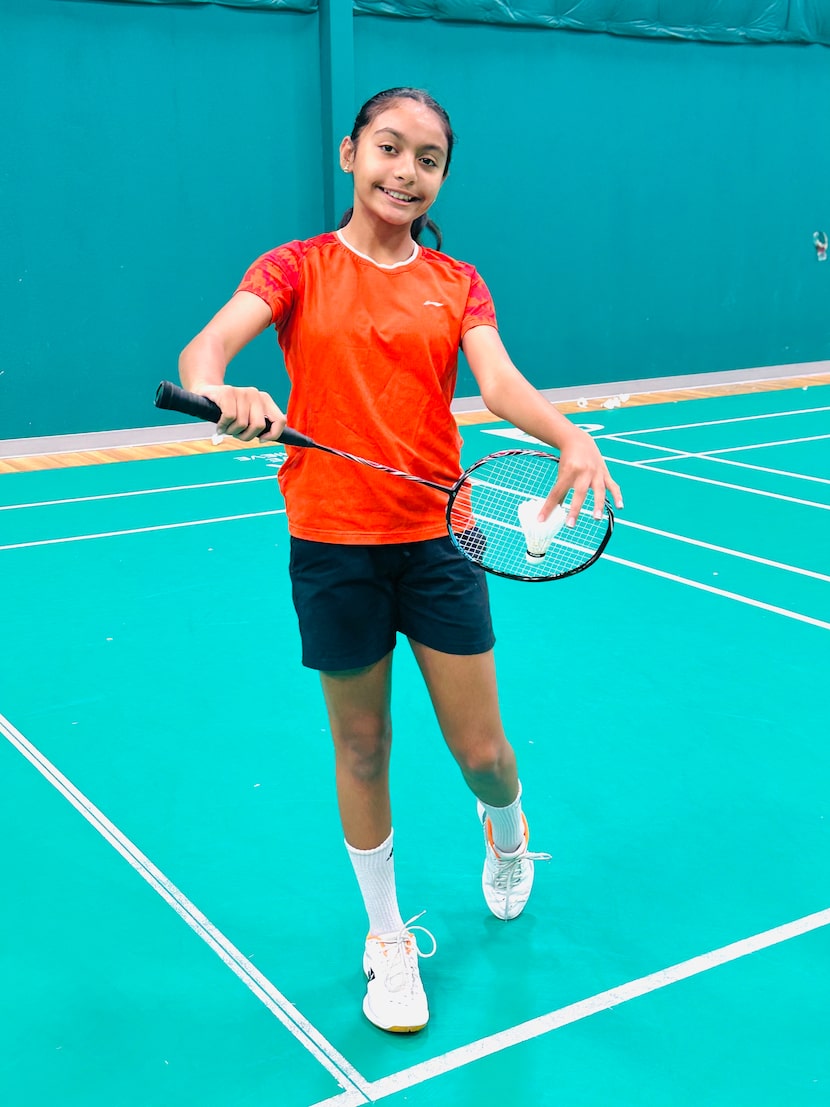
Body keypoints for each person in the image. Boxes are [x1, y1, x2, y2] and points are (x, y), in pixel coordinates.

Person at [179, 87, 623, 1034]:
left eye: (427, 159)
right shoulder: (295, 267)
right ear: (349, 153)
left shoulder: (458, 280)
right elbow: (206, 348)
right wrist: (223, 392)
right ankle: (386, 938)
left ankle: (506, 828)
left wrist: (571, 435)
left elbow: (495, 380)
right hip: (333, 545)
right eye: (388, 148)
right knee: (363, 746)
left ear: (442, 178)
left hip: (436, 541)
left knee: (486, 756)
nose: (405, 172)